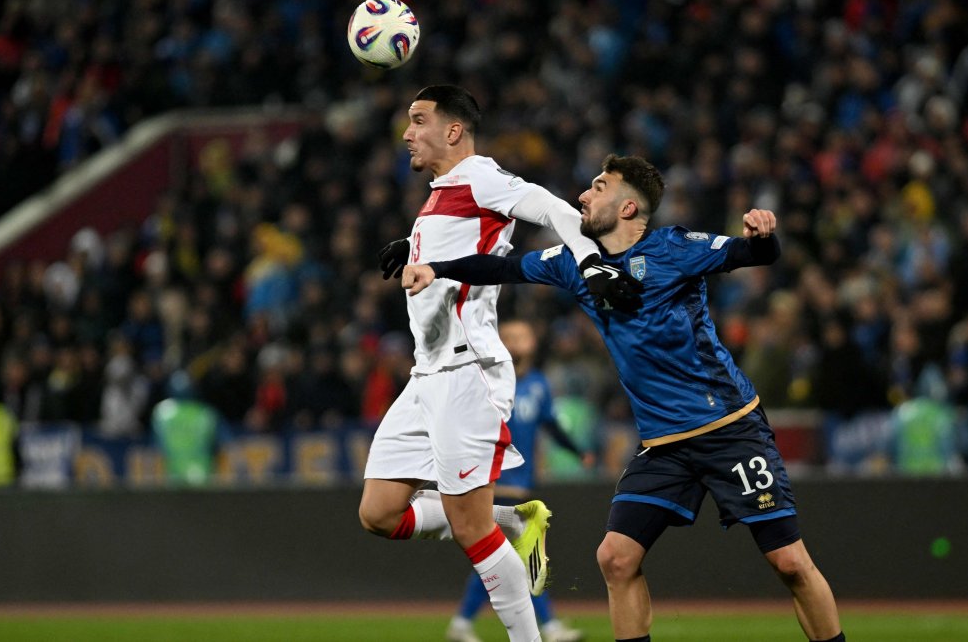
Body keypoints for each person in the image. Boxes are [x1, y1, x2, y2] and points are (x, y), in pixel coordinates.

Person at [403, 154, 845, 642]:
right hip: (664, 446)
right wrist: (433, 266)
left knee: (789, 562)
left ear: (629, 206)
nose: (583, 196)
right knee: (615, 558)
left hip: (728, 428)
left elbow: (754, 255)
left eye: (598, 186)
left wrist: (763, 233)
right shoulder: (576, 262)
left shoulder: (675, 247)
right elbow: (501, 266)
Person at [358, 86, 641, 642]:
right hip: (426, 376)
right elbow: (459, 245)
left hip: (468, 372)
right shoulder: (441, 193)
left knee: (470, 531)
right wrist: (411, 246)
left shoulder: (480, 176)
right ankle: (514, 521)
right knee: (379, 512)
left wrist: (592, 265)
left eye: (419, 121)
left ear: (454, 131)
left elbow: (555, 209)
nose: (407, 133)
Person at [447, 319, 592, 642]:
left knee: (504, 558)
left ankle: (462, 622)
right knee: (522, 557)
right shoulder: (486, 380)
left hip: (521, 485)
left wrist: (577, 451)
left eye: (522, 336)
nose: (516, 342)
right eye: (509, 336)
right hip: (491, 484)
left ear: (533, 342)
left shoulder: (539, 384)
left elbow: (551, 425)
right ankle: (549, 626)